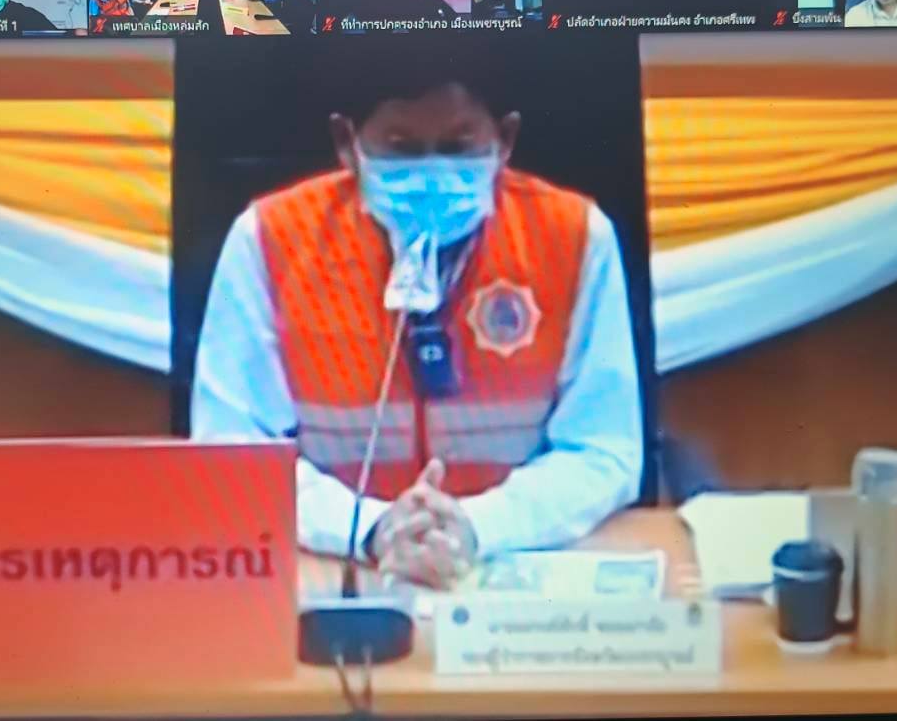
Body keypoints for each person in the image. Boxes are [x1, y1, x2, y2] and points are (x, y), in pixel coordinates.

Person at [190, 46, 642, 590]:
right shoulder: (267, 239)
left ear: (504, 141)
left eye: (458, 146)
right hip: (338, 567)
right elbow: (231, 450)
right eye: (401, 149)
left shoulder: (575, 236)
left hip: (505, 564)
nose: (433, 170)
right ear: (347, 144)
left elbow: (603, 448)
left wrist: (478, 526)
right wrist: (369, 529)